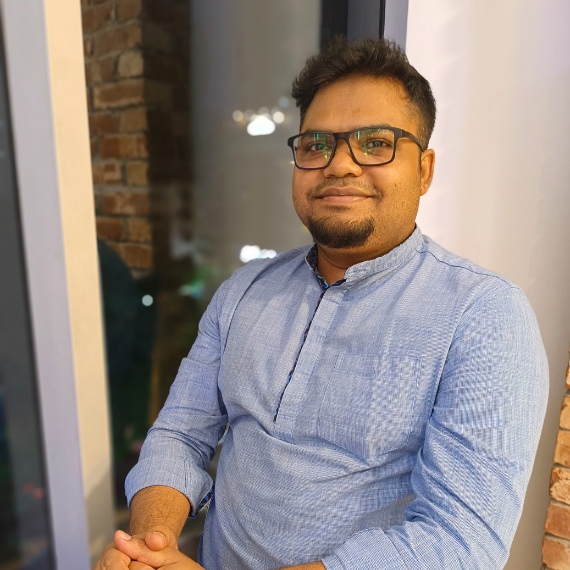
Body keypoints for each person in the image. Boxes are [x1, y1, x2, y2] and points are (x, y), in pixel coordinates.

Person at [94, 37, 548, 570]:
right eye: (316, 145)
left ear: (424, 171)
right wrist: (150, 548)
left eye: (376, 143)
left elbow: (460, 543)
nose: (339, 165)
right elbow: (180, 434)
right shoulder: (244, 291)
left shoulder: (485, 316)